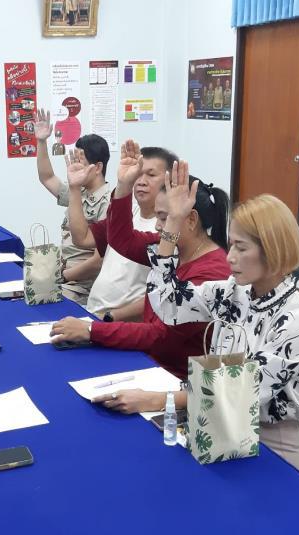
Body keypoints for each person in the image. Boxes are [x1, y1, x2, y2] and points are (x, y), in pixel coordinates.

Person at [139, 159, 299, 473]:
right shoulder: (235, 292)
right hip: (216, 420)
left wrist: (157, 399)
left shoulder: (297, 320)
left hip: (268, 442)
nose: (230, 257)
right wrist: (172, 226)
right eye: (231, 245)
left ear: (273, 250)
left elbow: (237, 392)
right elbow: (167, 304)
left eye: (241, 248)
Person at [51, 140, 232, 405]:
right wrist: (124, 185)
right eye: (159, 217)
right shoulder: (175, 248)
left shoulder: (212, 270)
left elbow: (160, 334)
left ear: (191, 219)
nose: (158, 226)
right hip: (151, 362)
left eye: (165, 218)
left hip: (176, 382)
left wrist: (92, 330)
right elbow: (121, 240)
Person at [61, 145, 167, 321]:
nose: (141, 181)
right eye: (138, 173)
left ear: (170, 180)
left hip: (121, 323)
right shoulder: (127, 213)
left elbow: (161, 293)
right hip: (94, 311)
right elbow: (82, 238)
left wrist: (110, 317)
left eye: (151, 175)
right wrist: (74, 188)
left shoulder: (168, 230)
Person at [34, 107, 110, 305]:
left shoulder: (109, 202)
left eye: (79, 160)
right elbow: (47, 177)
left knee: (44, 306)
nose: (73, 166)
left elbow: (99, 261)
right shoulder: (78, 192)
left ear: (98, 167)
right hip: (63, 274)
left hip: (83, 285)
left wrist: (62, 277)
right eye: (73, 159)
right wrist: (41, 142)